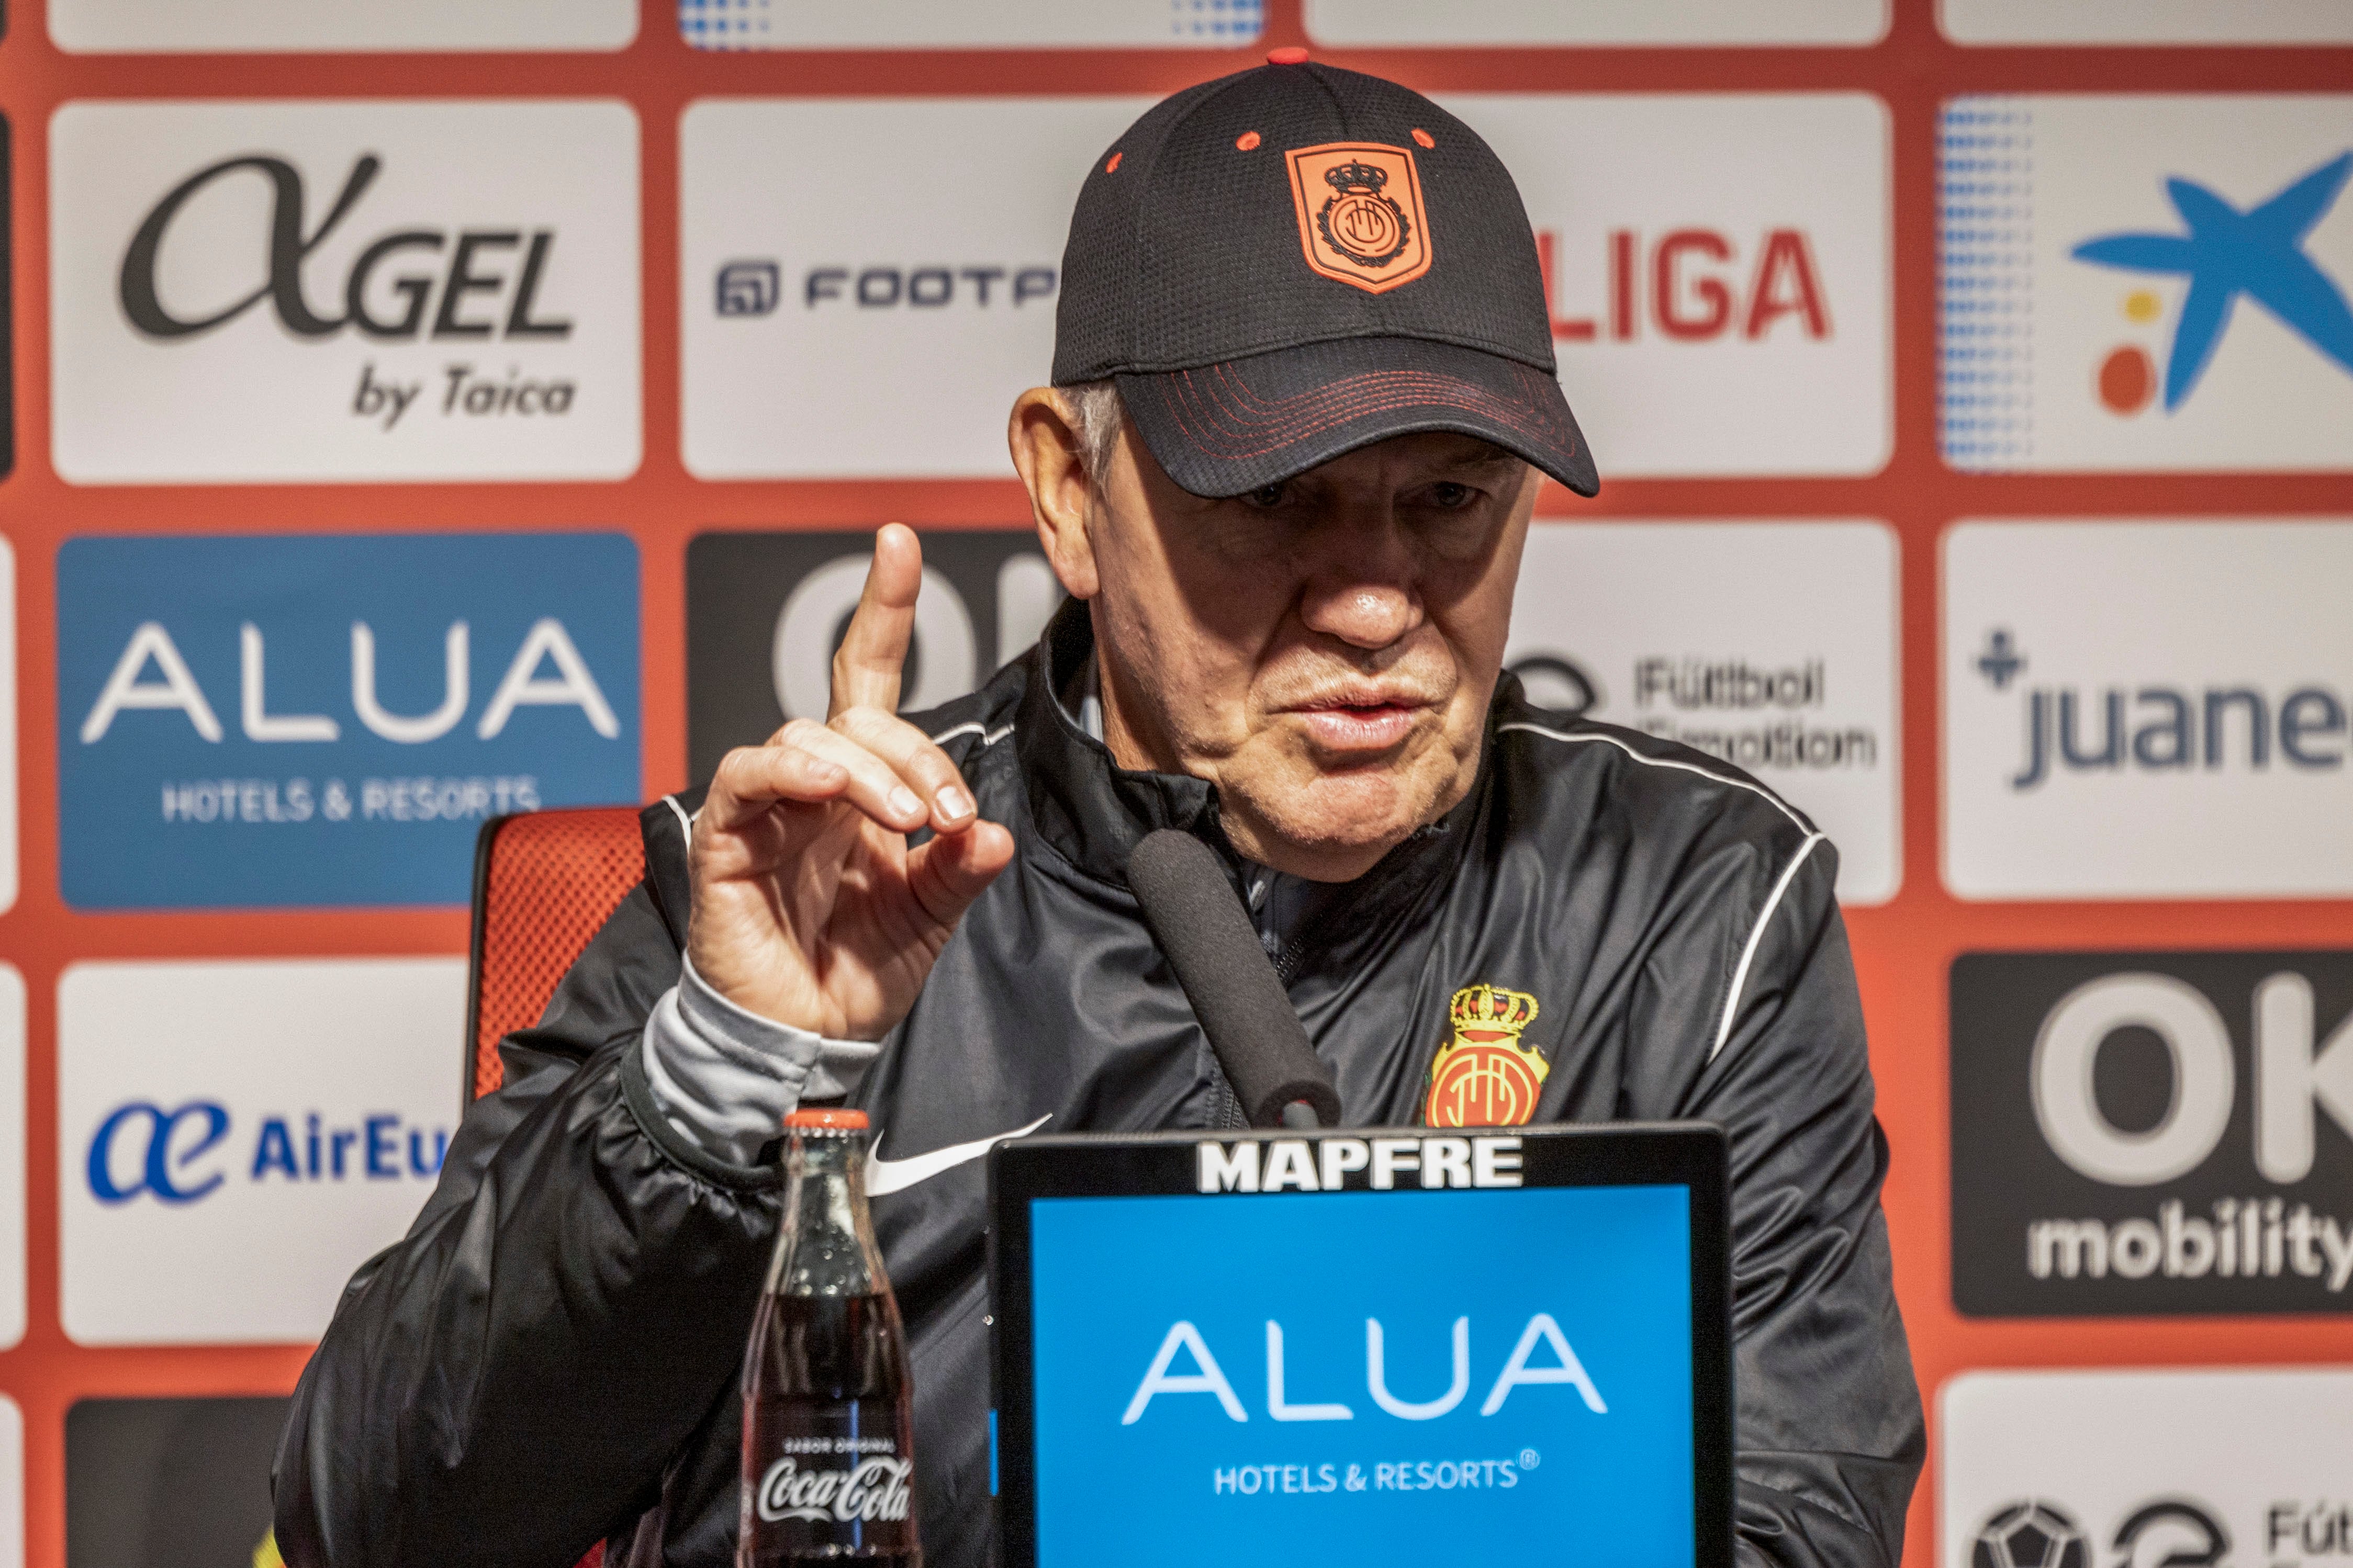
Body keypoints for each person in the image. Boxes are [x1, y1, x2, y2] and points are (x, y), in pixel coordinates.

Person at [275, 57, 1921, 1568]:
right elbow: (376, 1523)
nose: (1375, 602)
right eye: (1275, 499)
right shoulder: (804, 892)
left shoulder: (1697, 908)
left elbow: (1797, 1520)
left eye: (1450, 500)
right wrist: (734, 1070)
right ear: (1069, 489)